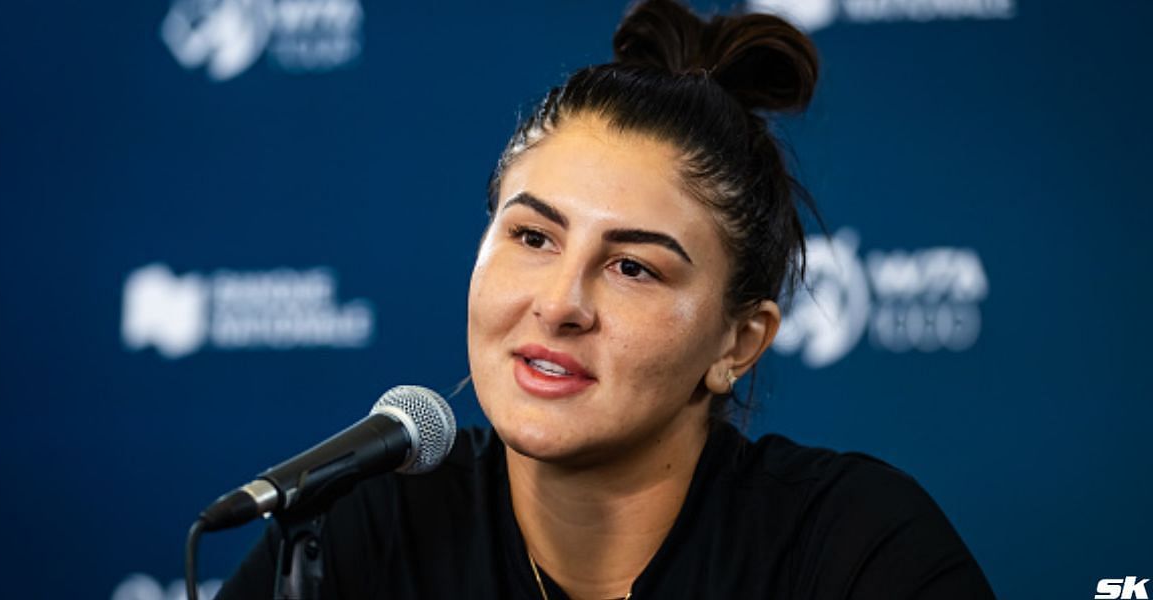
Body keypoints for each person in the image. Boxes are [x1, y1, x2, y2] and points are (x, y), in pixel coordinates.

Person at [214, 0, 995, 597]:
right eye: (533, 238)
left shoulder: (856, 549)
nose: (560, 305)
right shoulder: (359, 529)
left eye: (632, 268)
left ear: (739, 343)